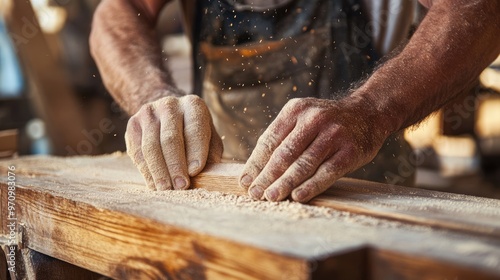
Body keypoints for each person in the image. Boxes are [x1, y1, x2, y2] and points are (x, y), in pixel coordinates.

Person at [90, 0, 500, 203]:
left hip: (370, 194)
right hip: (223, 199)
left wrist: (370, 112)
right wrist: (152, 93)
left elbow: (479, 9)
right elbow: (118, 10)